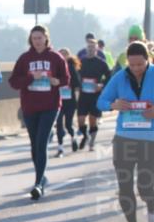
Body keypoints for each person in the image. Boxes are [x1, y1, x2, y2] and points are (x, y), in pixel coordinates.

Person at [97, 42, 154, 222]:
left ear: (148, 60)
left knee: (146, 186)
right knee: (125, 186)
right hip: (124, 138)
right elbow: (101, 101)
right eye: (132, 64)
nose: (136, 68)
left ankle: (152, 212)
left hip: (149, 140)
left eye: (140, 64)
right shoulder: (120, 77)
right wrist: (113, 105)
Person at [9, 25, 69, 199]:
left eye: (40, 38)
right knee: (35, 144)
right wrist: (30, 77)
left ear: (46, 38)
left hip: (50, 106)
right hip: (30, 107)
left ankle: (38, 184)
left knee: (42, 143)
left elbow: (66, 79)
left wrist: (56, 81)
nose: (37, 41)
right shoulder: (25, 58)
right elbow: (13, 82)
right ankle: (41, 177)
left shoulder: (56, 57)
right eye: (34, 38)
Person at [76, 37, 113, 152]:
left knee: (92, 120)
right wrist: (77, 85)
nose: (90, 49)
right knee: (80, 120)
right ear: (86, 48)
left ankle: (92, 141)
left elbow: (109, 76)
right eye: (89, 47)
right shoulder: (81, 62)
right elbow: (74, 75)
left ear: (96, 49)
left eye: (93, 47)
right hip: (83, 95)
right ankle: (85, 135)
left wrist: (101, 85)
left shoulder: (101, 63)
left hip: (95, 95)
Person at [55, 48, 81, 157]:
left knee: (68, 124)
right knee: (59, 124)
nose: (62, 56)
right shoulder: (55, 67)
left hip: (70, 101)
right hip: (58, 101)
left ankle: (73, 137)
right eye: (60, 54)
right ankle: (60, 148)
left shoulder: (71, 67)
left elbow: (77, 84)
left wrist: (68, 85)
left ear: (68, 56)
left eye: (65, 54)